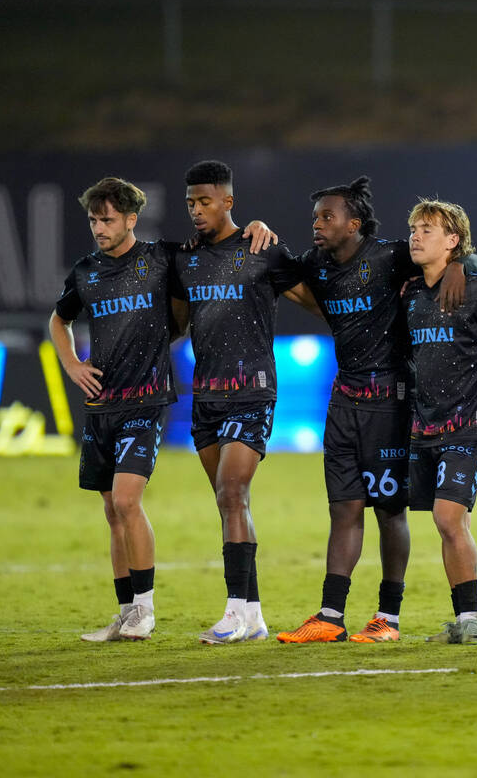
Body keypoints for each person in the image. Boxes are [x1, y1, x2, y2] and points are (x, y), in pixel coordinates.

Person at [276, 177, 477, 644]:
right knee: (343, 508)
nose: (318, 225)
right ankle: (329, 616)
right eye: (315, 218)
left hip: (391, 401)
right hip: (343, 398)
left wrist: (462, 266)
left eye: (328, 217)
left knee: (389, 510)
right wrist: (260, 231)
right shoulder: (317, 266)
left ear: (356, 223)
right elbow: (281, 274)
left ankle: (388, 617)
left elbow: (446, 256)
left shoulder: (390, 256)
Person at [170, 160, 303, 645]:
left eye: (205, 201)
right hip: (205, 396)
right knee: (231, 502)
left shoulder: (260, 248)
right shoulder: (185, 258)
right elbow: (178, 322)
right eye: (190, 203)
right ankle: (254, 614)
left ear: (229, 201)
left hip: (252, 391)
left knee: (231, 492)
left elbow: (313, 297)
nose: (197, 210)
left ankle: (231, 613)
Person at [51, 177, 176, 643]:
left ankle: (144, 610)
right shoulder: (86, 271)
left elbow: (205, 271)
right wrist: (71, 363)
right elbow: (58, 319)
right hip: (102, 404)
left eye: (107, 219)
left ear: (130, 219)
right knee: (111, 510)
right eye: (92, 219)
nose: (99, 228)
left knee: (127, 500)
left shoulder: (160, 260)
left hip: (146, 400)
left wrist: (257, 226)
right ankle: (125, 613)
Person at [403, 199, 477, 645]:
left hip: (469, 424)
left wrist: (466, 266)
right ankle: (465, 619)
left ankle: (473, 621)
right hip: (425, 427)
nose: (416, 236)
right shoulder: (411, 294)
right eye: (414, 229)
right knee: (448, 524)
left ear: (453, 241)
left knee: (447, 517)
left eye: (428, 229)